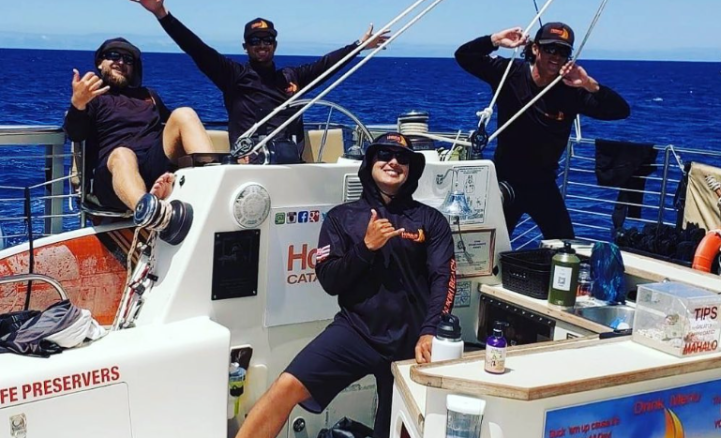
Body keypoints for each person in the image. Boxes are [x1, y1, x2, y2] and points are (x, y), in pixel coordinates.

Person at [236, 133, 457, 438]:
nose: (393, 162)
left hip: (412, 339)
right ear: (369, 163)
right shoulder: (340, 219)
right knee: (286, 386)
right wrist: (366, 248)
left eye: (402, 158)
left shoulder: (431, 221)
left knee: (399, 428)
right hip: (357, 332)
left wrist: (430, 330)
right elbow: (330, 280)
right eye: (384, 154)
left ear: (411, 169)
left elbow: (443, 278)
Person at [134, 0, 390, 160]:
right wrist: (162, 14)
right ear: (246, 46)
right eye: (255, 41)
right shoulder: (233, 75)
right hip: (249, 161)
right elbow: (197, 48)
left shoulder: (292, 76)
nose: (262, 45)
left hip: (291, 162)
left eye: (267, 40)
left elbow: (326, 66)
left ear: (275, 44)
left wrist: (360, 46)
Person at [456, 22, 630, 239]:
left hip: (542, 184)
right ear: (535, 48)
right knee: (492, 244)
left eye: (563, 51)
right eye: (550, 48)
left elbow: (620, 111)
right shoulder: (509, 73)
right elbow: (464, 56)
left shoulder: (571, 91)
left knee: (564, 244)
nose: (556, 56)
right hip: (505, 181)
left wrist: (588, 84)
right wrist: (495, 40)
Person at [64, 38, 214, 212]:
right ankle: (149, 213)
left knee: (184, 113)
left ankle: (213, 185)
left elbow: (175, 127)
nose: (121, 62)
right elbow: (75, 134)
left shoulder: (148, 96)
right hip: (115, 176)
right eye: (114, 56)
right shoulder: (92, 98)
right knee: (123, 154)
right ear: (99, 62)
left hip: (155, 168)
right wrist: (78, 104)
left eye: (128, 59)